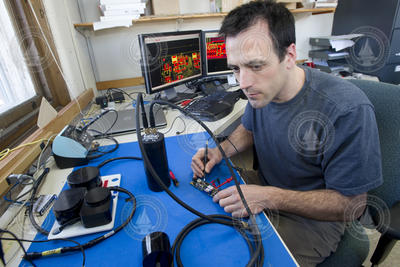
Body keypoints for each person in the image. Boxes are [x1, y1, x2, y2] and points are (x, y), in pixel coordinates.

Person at [190, 1, 383, 266]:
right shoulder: (262, 91)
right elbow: (248, 130)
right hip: (264, 187)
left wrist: (267, 196)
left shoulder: (346, 109)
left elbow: (352, 205)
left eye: (256, 66)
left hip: (313, 220)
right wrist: (218, 152)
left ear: (289, 56)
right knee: (196, 222)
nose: (243, 83)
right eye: (236, 68)